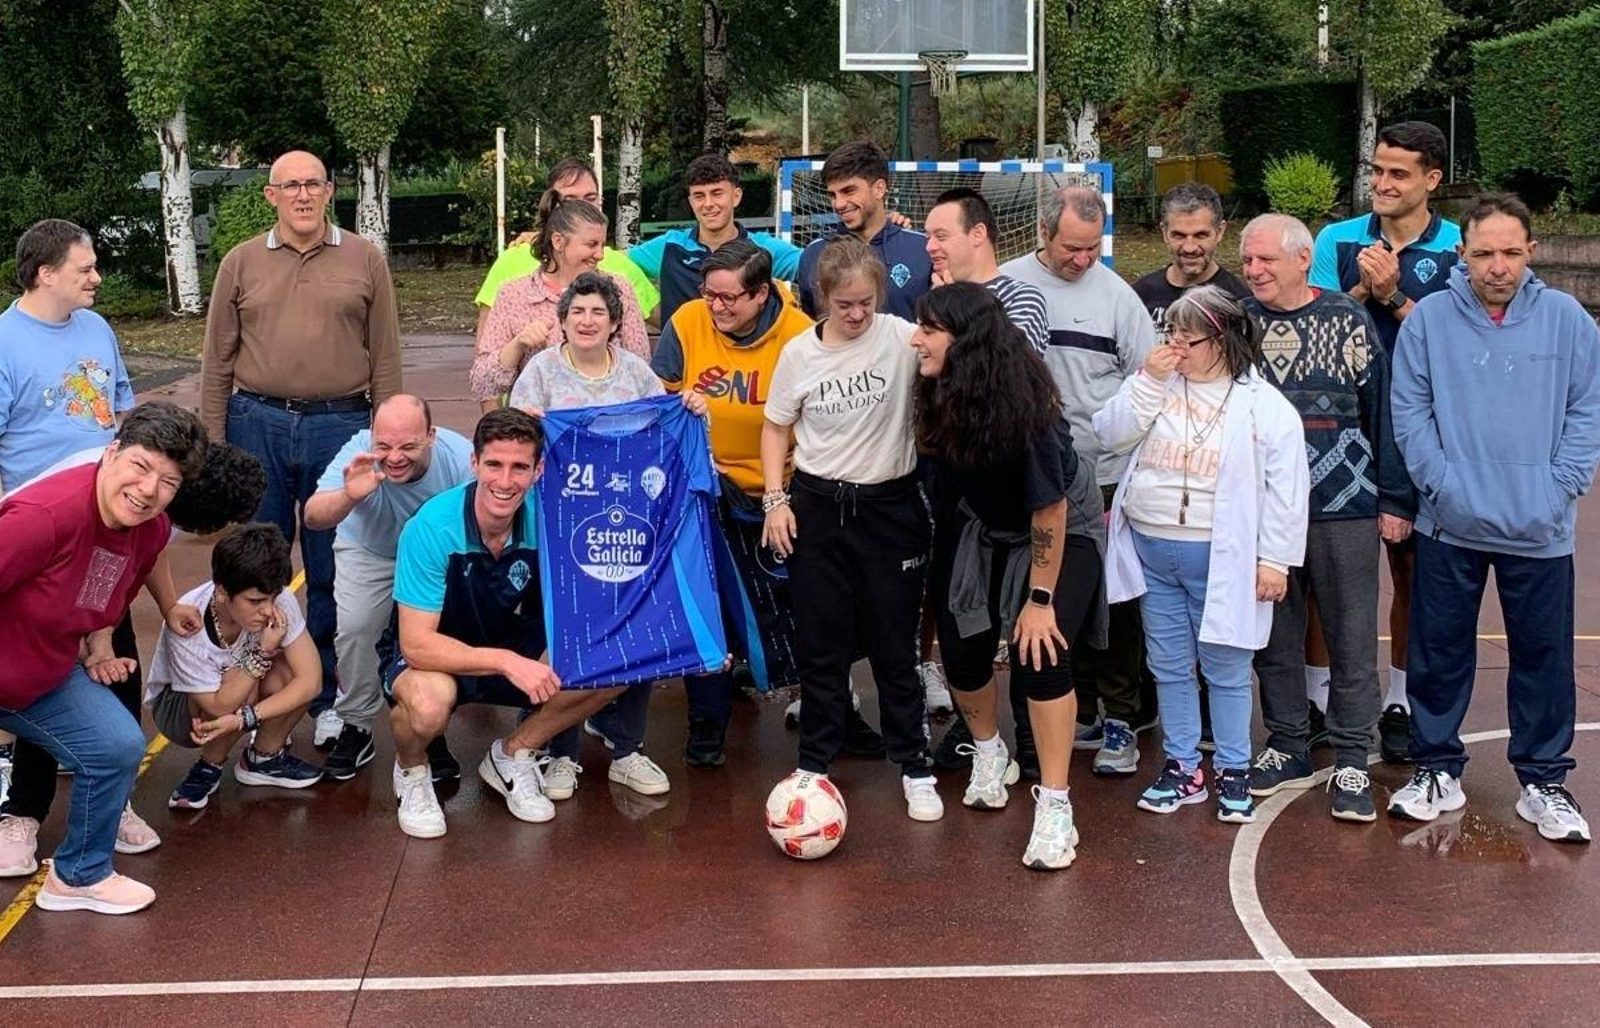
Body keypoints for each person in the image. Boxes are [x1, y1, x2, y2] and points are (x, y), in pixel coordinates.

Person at [1389, 193, 1600, 845]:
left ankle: (1543, 782)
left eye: (1510, 252)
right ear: (1463, 253)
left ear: (1531, 252)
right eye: (1484, 253)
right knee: (1439, 653)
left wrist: (1558, 489)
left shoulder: (1568, 321)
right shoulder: (1428, 323)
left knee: (1543, 658)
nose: (1498, 265)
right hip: (1451, 523)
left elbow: (1586, 412)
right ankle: (1436, 769)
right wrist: (1444, 489)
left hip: (1540, 529)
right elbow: (1410, 412)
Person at [202, 149, 403, 741]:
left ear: (330, 190)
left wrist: (387, 438)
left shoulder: (365, 259)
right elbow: (217, 361)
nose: (302, 195)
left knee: (330, 565)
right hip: (256, 421)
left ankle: (325, 699)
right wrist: (214, 448)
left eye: (313, 183)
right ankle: (253, 684)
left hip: (338, 425)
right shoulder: (240, 263)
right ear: (271, 196)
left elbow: (386, 356)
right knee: (255, 561)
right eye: (289, 186)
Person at [1095, 285, 1307, 826]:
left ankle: (1232, 768)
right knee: (1167, 664)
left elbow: (1288, 488)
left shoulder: (1264, 405)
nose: (1177, 347)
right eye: (1172, 336)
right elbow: (1110, 435)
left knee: (1227, 665)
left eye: (1189, 339)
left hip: (1223, 556)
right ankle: (1182, 765)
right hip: (1151, 548)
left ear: (1222, 340)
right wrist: (1148, 379)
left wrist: (1275, 560)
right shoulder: (1157, 386)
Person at [0, 438, 266, 870]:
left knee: (111, 701)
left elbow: (140, 556)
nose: (211, 534)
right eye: (216, 526)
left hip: (88, 589)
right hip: (38, 586)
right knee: (40, 685)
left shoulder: (157, 504)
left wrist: (156, 611)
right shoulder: (121, 488)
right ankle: (23, 811)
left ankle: (109, 806)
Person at [912, 282, 1106, 869]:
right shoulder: (935, 387)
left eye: (929, 328)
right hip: (981, 525)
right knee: (963, 646)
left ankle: (1054, 806)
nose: (915, 338)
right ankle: (990, 751)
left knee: (1040, 653)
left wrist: (1040, 599)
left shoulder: (1029, 409)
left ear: (966, 341)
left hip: (1059, 524)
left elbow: (1049, 508)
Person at [1239, 214, 1415, 822]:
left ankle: (1349, 756)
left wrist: (1394, 499)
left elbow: (1382, 412)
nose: (1255, 272)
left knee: (1350, 632)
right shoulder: (1239, 325)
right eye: (1248, 263)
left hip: (1345, 505)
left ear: (1301, 258)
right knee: (1275, 635)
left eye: (1266, 261)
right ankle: (1287, 742)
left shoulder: (1347, 317)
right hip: (1261, 513)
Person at [0, 402, 207, 913]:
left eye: (169, 482)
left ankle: (79, 876)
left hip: (39, 677)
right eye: (140, 466)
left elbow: (106, 588)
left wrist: (96, 646)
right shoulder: (43, 518)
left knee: (116, 745)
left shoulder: (150, 531)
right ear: (111, 453)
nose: (148, 490)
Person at [385, 409, 628, 837]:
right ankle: (412, 770)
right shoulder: (431, 527)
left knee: (615, 661)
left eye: (520, 467)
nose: (505, 480)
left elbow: (626, 506)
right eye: (494, 464)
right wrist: (506, 662)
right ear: (474, 463)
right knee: (427, 705)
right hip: (435, 652)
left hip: (500, 635)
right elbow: (416, 645)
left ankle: (513, 753)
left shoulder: (551, 519)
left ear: (538, 470)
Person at [761, 236, 936, 821]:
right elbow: (775, 428)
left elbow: (951, 351)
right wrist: (775, 501)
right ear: (823, 300)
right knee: (821, 645)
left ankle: (914, 765)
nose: (857, 315)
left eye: (866, 303)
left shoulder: (899, 337)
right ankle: (814, 762)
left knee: (894, 646)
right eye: (844, 306)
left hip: (891, 507)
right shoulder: (799, 355)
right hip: (818, 506)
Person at [651, 239, 836, 765]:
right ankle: (707, 725)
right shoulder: (687, 322)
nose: (716, 307)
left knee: (808, 606)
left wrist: (784, 495)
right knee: (708, 609)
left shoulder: (801, 335)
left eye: (728, 298)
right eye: (710, 295)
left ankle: (831, 711)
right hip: (708, 488)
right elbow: (658, 399)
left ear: (761, 294)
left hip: (788, 488)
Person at [1311, 121, 1460, 764]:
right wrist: (1360, 293)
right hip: (1337, 428)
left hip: (1423, 429)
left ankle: (1399, 702)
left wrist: (1393, 295)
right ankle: (1321, 703)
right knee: (1320, 572)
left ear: (1431, 180)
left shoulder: (1457, 247)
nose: (1382, 183)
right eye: (1376, 169)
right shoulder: (1337, 239)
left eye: (1398, 173)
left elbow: (1458, 340)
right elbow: (1309, 319)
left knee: (1412, 572)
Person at [1000, 186, 1159, 779]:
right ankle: (1073, 709)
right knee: (1046, 605)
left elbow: (1149, 388)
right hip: (1029, 476)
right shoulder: (1010, 284)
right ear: (1043, 233)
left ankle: (1121, 716)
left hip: (1105, 479)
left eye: (1093, 249)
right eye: (1072, 248)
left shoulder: (1119, 299)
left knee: (1113, 605)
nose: (1083, 260)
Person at [0, 217, 144, 855]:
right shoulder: (4, 342)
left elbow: (120, 411)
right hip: (40, 536)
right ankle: (22, 813)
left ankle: (117, 804)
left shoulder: (97, 329)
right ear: (45, 273)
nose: (97, 277)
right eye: (85, 268)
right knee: (40, 670)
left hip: (108, 526)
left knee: (119, 659)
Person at [509, 271, 672, 800]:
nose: (586, 320)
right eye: (576, 312)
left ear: (616, 322)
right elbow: (514, 440)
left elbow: (664, 433)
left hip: (626, 527)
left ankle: (627, 748)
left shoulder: (637, 374)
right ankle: (560, 752)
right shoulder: (540, 372)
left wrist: (688, 406)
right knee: (562, 636)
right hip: (559, 529)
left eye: (597, 312)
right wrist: (527, 421)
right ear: (561, 322)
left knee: (634, 627)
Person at [921, 187, 1049, 766]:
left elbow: (1002, 376)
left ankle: (1030, 735)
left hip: (1021, 495)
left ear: (978, 235)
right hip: (956, 493)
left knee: (1031, 628)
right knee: (963, 626)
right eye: (926, 236)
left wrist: (959, 319)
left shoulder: (1020, 298)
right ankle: (981, 738)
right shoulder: (933, 303)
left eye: (941, 234)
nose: (931, 246)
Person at [302, 395, 473, 780]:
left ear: (430, 435)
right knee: (358, 627)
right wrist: (349, 495)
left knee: (435, 637)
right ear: (372, 436)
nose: (394, 457)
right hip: (372, 548)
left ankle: (429, 727)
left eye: (408, 446)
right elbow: (313, 515)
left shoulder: (461, 459)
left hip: (434, 557)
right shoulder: (358, 452)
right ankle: (357, 724)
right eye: (384, 445)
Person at [147, 523, 324, 808]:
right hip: (182, 708)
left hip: (236, 696)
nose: (267, 610)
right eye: (254, 601)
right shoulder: (189, 620)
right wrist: (263, 652)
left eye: (272, 598)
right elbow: (218, 705)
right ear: (222, 592)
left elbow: (311, 680)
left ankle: (263, 758)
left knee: (291, 673)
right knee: (238, 687)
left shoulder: (276, 599)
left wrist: (246, 718)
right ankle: (209, 766)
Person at [473, 196, 650, 412]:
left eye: (603, 244)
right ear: (558, 242)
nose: (600, 255)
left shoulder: (619, 290)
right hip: (541, 432)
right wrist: (518, 344)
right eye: (591, 245)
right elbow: (483, 383)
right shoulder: (513, 295)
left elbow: (642, 369)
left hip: (610, 428)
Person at [473, 157, 660, 335]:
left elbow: (670, 323)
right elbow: (486, 349)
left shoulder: (619, 265)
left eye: (590, 198)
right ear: (551, 204)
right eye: (570, 200)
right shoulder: (512, 261)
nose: (581, 207)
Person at [627, 152, 803, 327]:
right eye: (699, 196)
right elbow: (612, 262)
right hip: (683, 352)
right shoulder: (669, 247)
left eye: (717, 193)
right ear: (690, 201)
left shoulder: (762, 249)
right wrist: (654, 309)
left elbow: (816, 264)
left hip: (745, 351)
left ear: (736, 196)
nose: (708, 203)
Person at [797, 141, 932, 321]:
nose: (839, 204)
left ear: (879, 189)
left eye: (848, 191)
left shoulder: (923, 250)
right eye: (832, 195)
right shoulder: (814, 254)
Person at [1132, 182, 1250, 327]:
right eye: (1179, 235)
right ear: (1164, 233)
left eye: (1201, 235)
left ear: (1220, 232)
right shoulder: (1138, 296)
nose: (1190, 248)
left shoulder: (1240, 301)